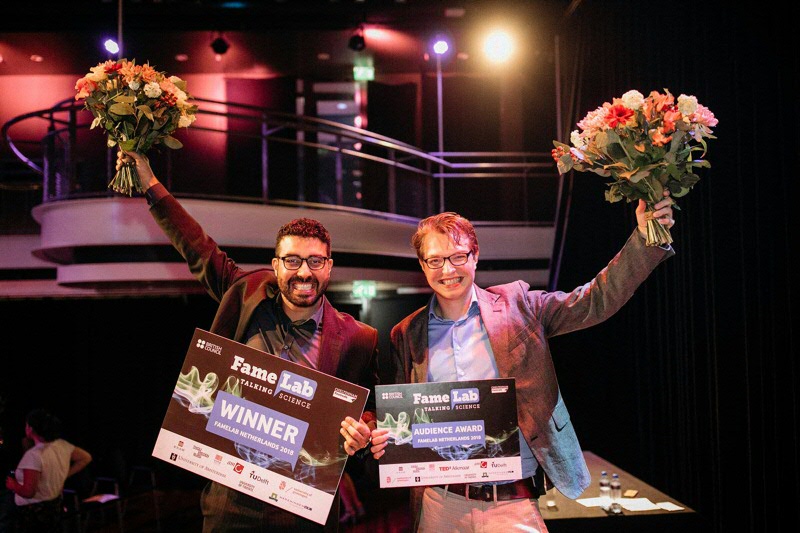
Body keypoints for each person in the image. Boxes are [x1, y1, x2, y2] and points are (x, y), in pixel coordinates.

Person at [370, 193, 676, 532]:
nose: (448, 270)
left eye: (458, 256)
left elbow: (596, 300)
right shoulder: (406, 333)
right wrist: (386, 435)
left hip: (512, 504)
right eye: (435, 260)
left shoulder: (519, 305)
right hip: (442, 503)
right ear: (422, 264)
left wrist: (648, 237)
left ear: (475, 257)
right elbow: (400, 417)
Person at [118, 152, 377, 532]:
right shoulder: (246, 293)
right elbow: (197, 247)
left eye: (315, 262)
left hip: (304, 506)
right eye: (292, 261)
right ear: (275, 265)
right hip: (231, 499)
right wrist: (149, 183)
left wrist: (364, 429)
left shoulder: (358, 337)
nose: (303, 272)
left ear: (329, 267)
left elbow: (369, 408)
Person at [4, 409, 92, 533]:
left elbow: (28, 492)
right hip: (54, 508)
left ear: (30, 428)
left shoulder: (34, 455)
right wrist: (64, 474)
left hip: (33, 514)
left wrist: (13, 485)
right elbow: (86, 458)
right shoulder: (62, 445)